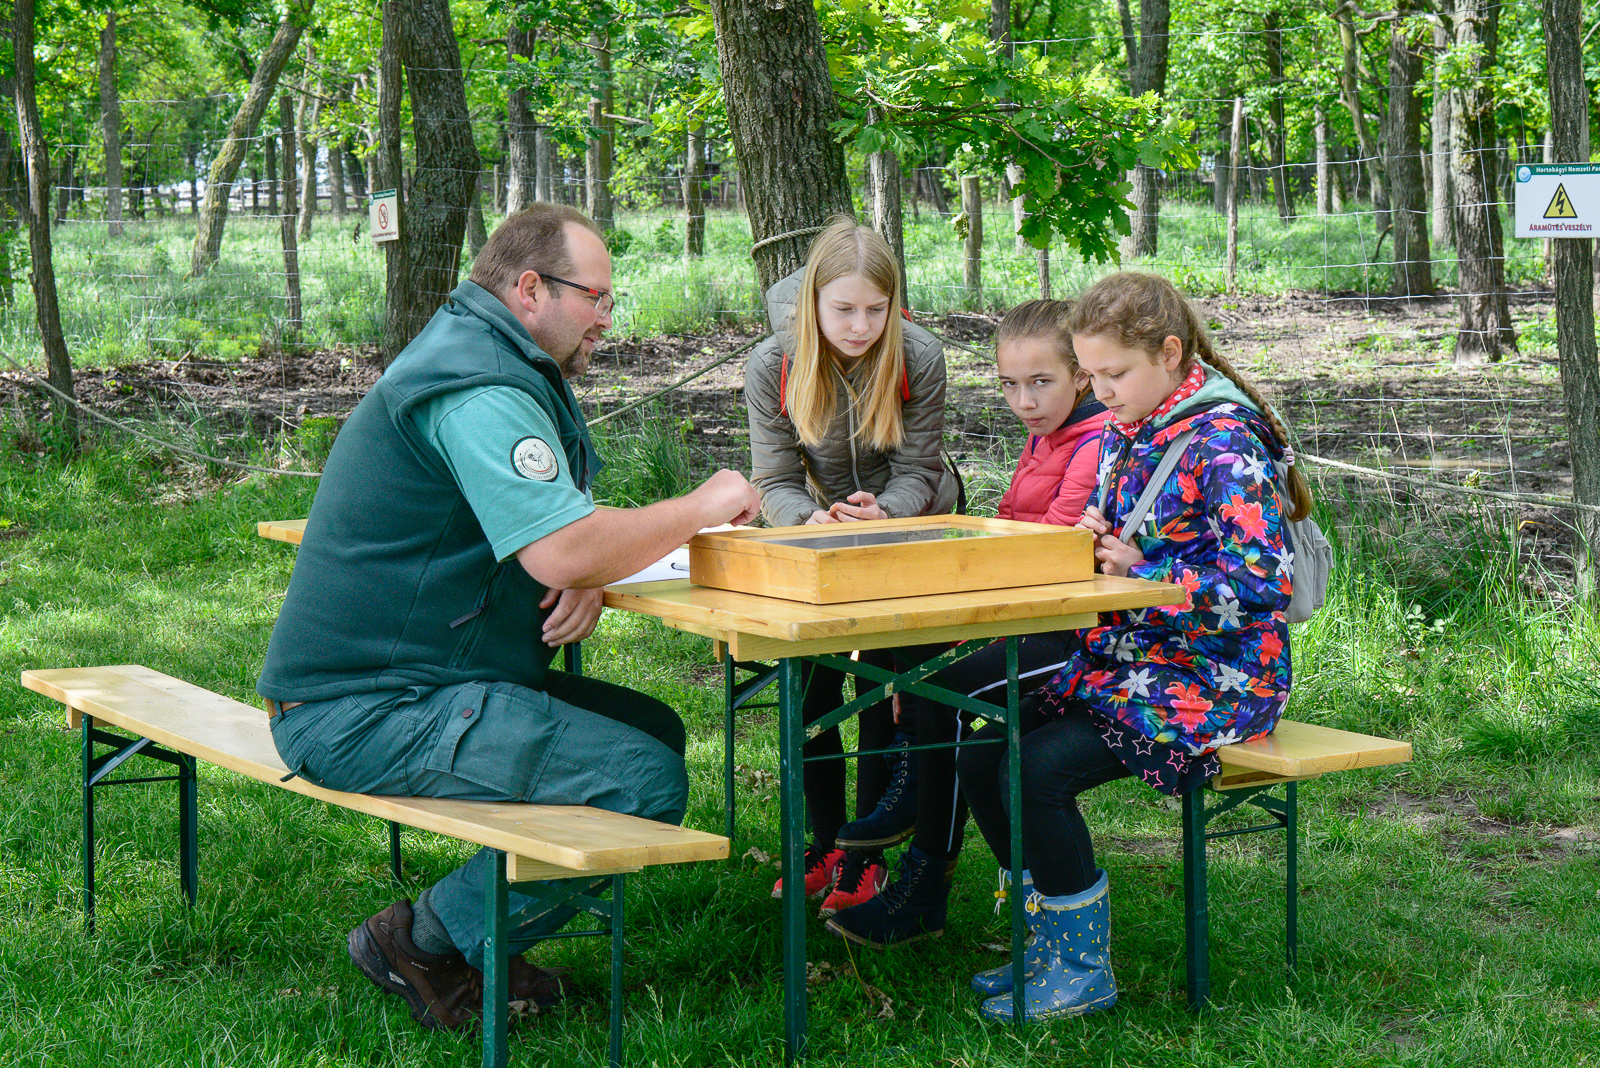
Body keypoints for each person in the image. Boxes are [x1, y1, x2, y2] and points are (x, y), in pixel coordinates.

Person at [256, 204, 761, 1032]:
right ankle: (419, 942)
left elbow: (553, 536)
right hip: (361, 711)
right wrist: (705, 502)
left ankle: (484, 930)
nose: (607, 317)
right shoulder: (479, 386)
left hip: (410, 680)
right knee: (643, 780)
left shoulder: (479, 351)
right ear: (530, 288)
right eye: (596, 296)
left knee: (654, 733)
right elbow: (558, 549)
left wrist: (595, 567)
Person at [956, 271, 1310, 1021]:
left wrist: (1141, 567)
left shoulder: (1223, 442)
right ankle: (1046, 945)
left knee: (1033, 768)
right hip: (1137, 659)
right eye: (1092, 375)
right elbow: (1134, 534)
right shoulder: (1136, 427)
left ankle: (1082, 972)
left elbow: (1261, 590)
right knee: (981, 753)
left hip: (1220, 677)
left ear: (1170, 353)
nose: (1101, 390)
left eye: (1113, 374)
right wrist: (1097, 538)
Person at [825, 299, 1111, 948]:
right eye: (1010, 384)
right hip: (1026, 613)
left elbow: (1052, 545)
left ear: (1083, 377)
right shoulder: (1045, 437)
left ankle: (925, 876)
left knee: (947, 693)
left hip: (1078, 632)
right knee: (908, 652)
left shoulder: (1095, 442)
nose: (1024, 401)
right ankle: (910, 779)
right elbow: (1008, 523)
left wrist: (986, 543)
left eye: (1041, 383)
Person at [745, 216, 959, 916]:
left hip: (910, 525)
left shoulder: (918, 355)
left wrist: (887, 515)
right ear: (811, 302)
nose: (860, 325)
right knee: (812, 683)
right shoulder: (770, 363)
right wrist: (803, 520)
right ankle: (825, 839)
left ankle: (865, 859)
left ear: (895, 306)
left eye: (876, 310)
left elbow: (921, 467)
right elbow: (772, 479)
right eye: (843, 310)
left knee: (884, 683)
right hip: (822, 530)